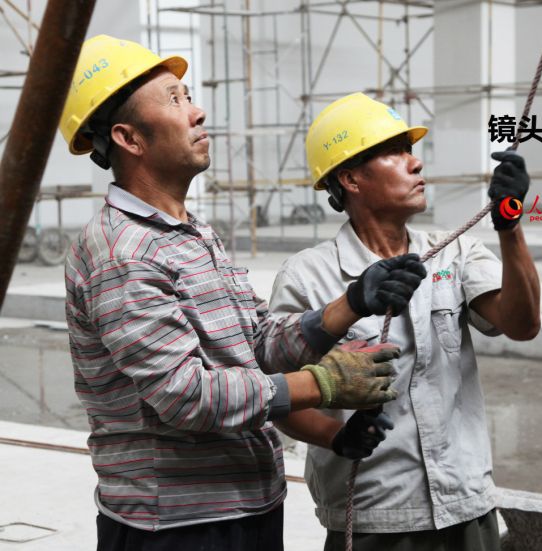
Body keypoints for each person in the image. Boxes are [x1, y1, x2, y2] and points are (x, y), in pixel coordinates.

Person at [59, 36, 428, 550]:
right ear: (129, 138)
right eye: (175, 100)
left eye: (189, 96)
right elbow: (186, 396)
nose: (198, 112)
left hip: (243, 507)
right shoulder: (122, 251)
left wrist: (349, 305)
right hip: (177, 527)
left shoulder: (190, 233)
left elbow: (253, 343)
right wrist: (323, 383)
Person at [268, 92, 542, 551]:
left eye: (410, 150)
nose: (416, 163)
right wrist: (337, 436)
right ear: (350, 178)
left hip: (465, 504)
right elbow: (277, 394)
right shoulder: (307, 277)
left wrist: (510, 225)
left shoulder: (455, 252)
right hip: (374, 514)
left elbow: (522, 324)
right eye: (394, 152)